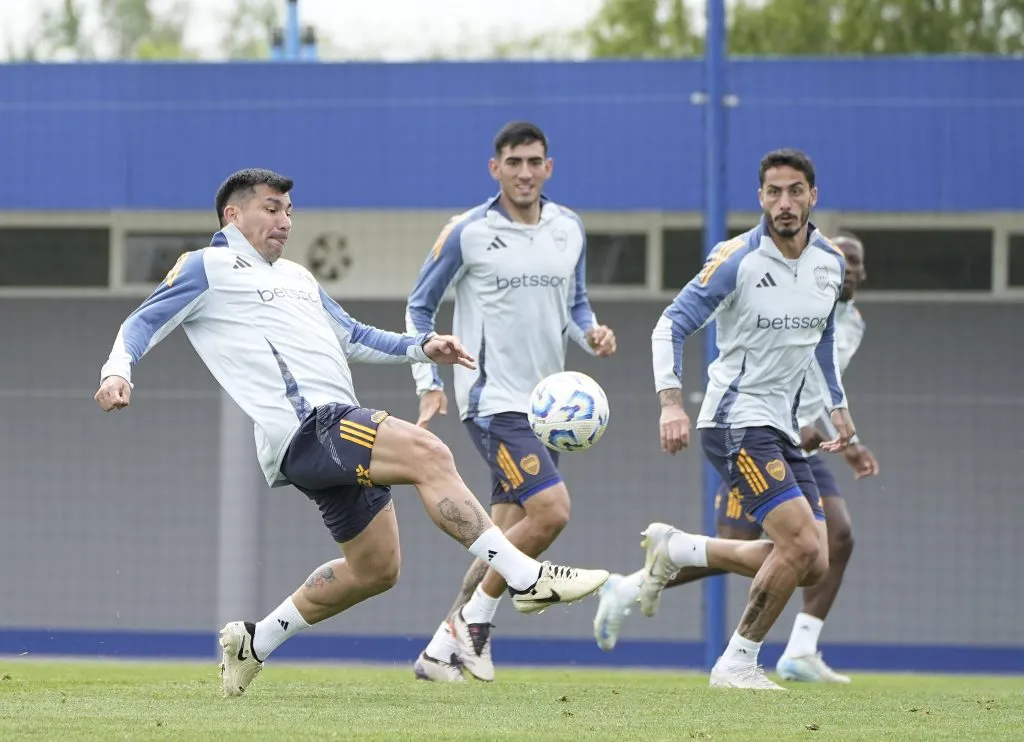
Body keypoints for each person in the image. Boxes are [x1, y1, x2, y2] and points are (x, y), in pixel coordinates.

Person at [93, 168, 610, 697]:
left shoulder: (298, 277)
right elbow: (142, 321)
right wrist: (117, 372)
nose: (284, 220)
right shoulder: (206, 265)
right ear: (233, 214)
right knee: (429, 453)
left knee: (376, 569)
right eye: (271, 208)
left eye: (288, 211)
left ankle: (255, 642)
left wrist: (422, 347)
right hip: (308, 427)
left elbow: (355, 335)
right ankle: (525, 577)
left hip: (332, 432)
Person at [615, 148, 856, 690]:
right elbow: (670, 324)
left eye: (795, 191)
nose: (785, 202)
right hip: (735, 421)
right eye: (774, 192)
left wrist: (839, 406)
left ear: (813, 196)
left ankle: (678, 549)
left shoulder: (830, 262)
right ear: (760, 198)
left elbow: (823, 338)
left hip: (784, 427)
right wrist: (670, 403)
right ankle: (737, 663)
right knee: (799, 546)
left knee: (814, 563)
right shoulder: (736, 258)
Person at [404, 121, 617, 683]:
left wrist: (591, 334)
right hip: (492, 399)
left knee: (500, 540)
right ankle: (471, 625)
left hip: (549, 410)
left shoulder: (569, 228)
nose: (525, 172)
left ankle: (440, 651)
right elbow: (419, 308)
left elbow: (576, 304)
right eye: (514, 162)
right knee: (551, 511)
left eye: (534, 162)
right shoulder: (467, 232)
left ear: (549, 167)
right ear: (494, 168)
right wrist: (428, 380)